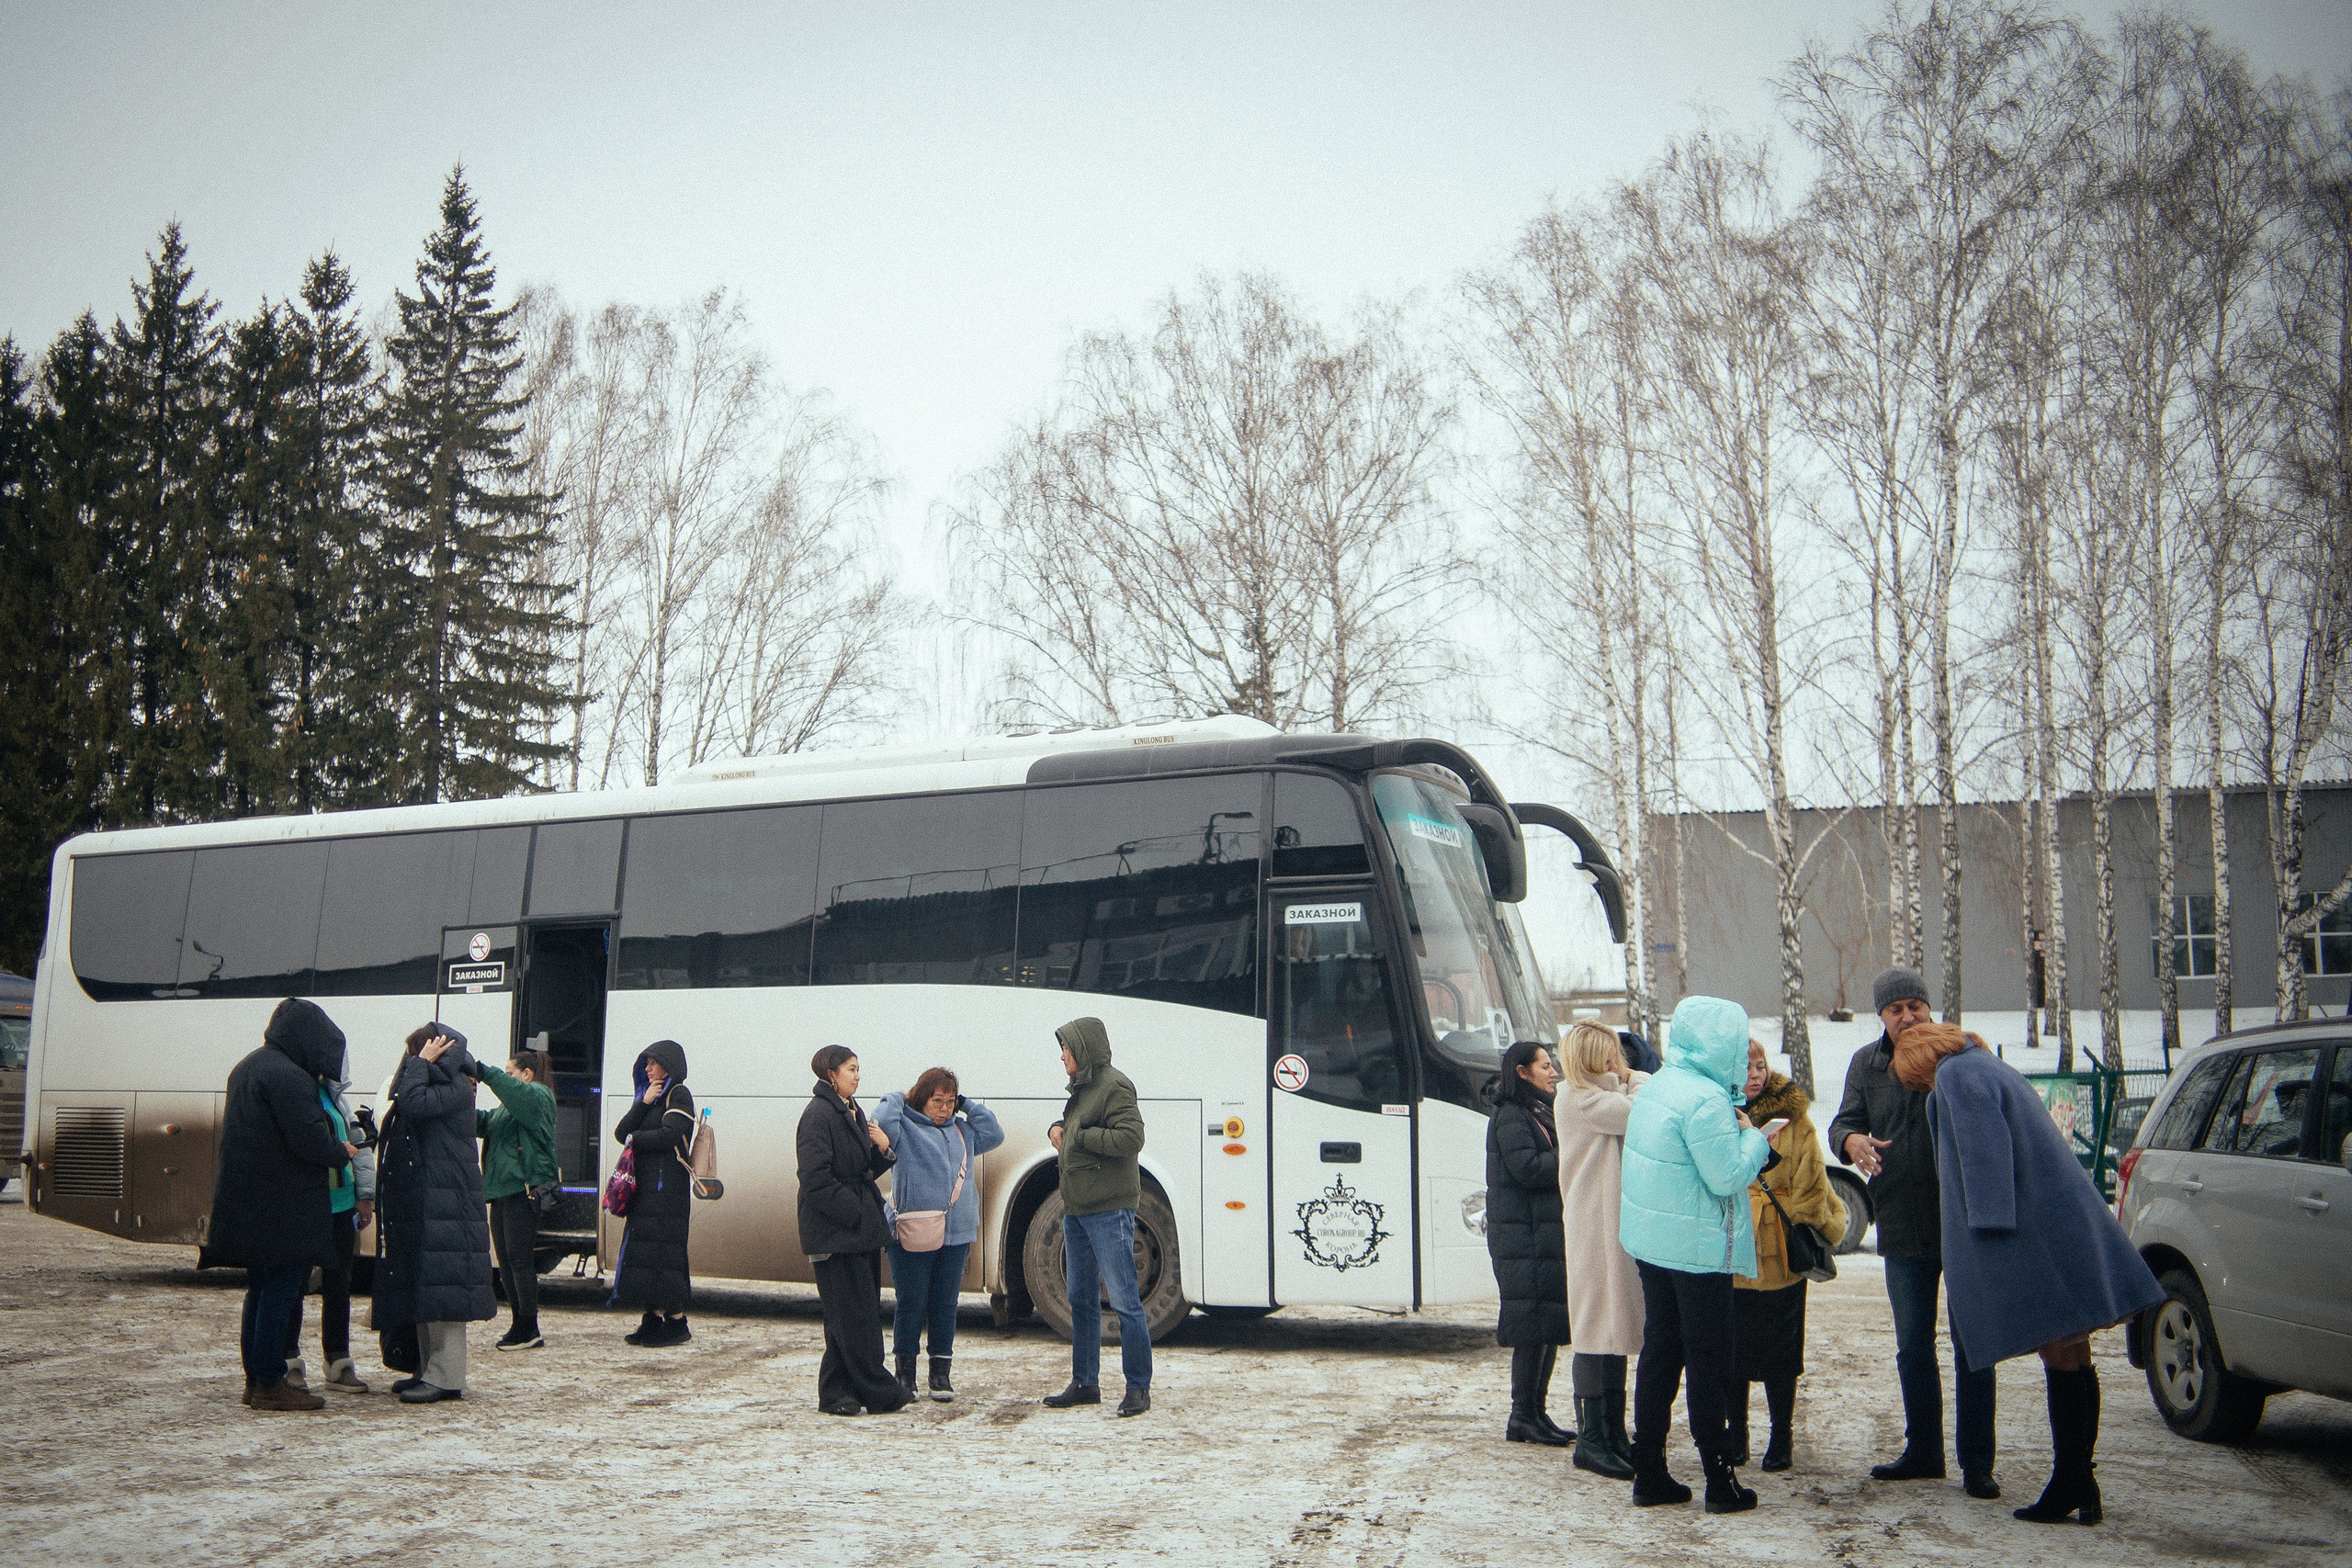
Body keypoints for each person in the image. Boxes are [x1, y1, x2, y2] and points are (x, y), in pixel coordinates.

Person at [1900, 1023, 2166, 1526]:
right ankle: (2080, 1481)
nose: (1919, 1088)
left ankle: (2069, 1483)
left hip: (2028, 1233)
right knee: (2074, 1353)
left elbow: (1985, 1158)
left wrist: (1986, 1235)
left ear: (1919, 1062)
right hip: (2057, 1220)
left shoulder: (1956, 1075)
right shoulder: (1987, 1064)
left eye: (1914, 1080)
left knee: (2061, 1354)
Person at [1826, 965, 1999, 1498]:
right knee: (1912, 1346)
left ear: (1929, 1008)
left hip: (1964, 1220)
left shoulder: (1961, 1054)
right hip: (1902, 1218)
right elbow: (1840, 1124)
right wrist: (1852, 1142)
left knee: (1973, 1344)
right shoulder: (1867, 1063)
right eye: (1895, 1009)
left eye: (1914, 1007)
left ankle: (1977, 1462)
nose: (1907, 1016)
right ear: (1881, 1015)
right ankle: (1924, 1450)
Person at [1619, 993, 1774, 1513]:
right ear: (1725, 1045)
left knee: (1660, 1352)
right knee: (1710, 1360)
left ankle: (1651, 1472)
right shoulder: (1707, 1099)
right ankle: (1719, 1479)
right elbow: (1727, 1175)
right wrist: (1757, 1140)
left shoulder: (1661, 1084)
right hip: (1697, 1251)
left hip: (1653, 1243)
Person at [204, 998, 356, 1412]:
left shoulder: (248, 1066)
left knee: (259, 1288)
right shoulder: (291, 1077)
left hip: (249, 1201)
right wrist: (341, 1150)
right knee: (282, 1290)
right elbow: (308, 1141)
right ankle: (271, 1381)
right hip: (282, 1207)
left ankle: (255, 1379)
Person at [1729, 1039, 1847, 1473]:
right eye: (1744, 1067)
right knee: (1733, 1350)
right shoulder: (1715, 1117)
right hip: (1735, 1248)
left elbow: (1812, 1189)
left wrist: (1777, 1217)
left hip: (1780, 1251)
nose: (1755, 1074)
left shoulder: (1795, 1120)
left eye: (1759, 1065)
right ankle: (1735, 1434)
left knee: (1781, 1352)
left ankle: (1782, 1437)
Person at [373, 1024, 496, 1404]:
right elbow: (400, 1095)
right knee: (428, 1290)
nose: (411, 1058)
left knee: (444, 1294)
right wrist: (417, 1065)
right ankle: (428, 1370)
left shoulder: (457, 1086)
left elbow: (411, 1103)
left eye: (417, 1051)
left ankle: (446, 1377)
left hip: (446, 1203)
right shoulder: (437, 1081)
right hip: (433, 1201)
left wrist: (419, 1065)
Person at [1041, 1017, 1151, 1417]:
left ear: (1084, 1049)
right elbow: (1073, 1124)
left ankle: (1138, 1387)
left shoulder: (1115, 1086)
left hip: (1108, 1209)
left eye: (1067, 1049)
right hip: (1078, 1208)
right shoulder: (1084, 1087)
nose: (1062, 1056)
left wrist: (1080, 1137)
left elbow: (1131, 1138)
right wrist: (1059, 1128)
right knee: (1080, 1298)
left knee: (1124, 1301)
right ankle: (1085, 1382)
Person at [875, 1066, 1005, 1402]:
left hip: (957, 1232)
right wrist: (898, 1097)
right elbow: (882, 1126)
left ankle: (940, 1375)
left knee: (946, 1304)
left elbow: (995, 1134)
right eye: (937, 1100)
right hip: (912, 1229)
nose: (945, 1108)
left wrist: (967, 1104)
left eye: (950, 1101)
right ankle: (905, 1376)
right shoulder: (905, 1127)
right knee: (911, 1303)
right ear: (922, 1099)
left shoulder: (963, 1130)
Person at [797, 1044, 910, 1415]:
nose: (858, 1075)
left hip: (857, 1229)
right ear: (831, 1074)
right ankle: (878, 1391)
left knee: (849, 1316)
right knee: (852, 1317)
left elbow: (861, 1170)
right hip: (836, 1232)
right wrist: (854, 1213)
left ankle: (836, 1393)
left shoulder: (852, 1111)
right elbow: (814, 1179)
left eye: (858, 1068)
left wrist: (883, 1149)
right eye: (850, 1069)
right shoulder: (817, 1115)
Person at [1556, 1020, 1648, 1480]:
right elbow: (1641, 1110)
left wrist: (1629, 1081)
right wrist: (1637, 1080)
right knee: (1596, 1327)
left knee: (1611, 1326)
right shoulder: (1580, 1097)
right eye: (1606, 1057)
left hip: (1606, 1221)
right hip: (1594, 1224)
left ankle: (1612, 1432)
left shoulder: (1596, 1094)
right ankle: (1593, 1438)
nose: (1616, 1063)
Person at [1487, 1039, 1573, 1447]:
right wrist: (1571, 1153)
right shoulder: (1510, 1116)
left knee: (1548, 1324)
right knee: (1529, 1328)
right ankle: (1521, 1416)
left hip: (1541, 1234)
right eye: (1543, 1066)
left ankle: (1537, 1413)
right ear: (1522, 1072)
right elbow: (1528, 1168)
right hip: (1522, 1237)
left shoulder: (1538, 1111)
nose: (1553, 1071)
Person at [280, 1060, 375, 1393]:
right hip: (308, 1204)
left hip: (342, 1204)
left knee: (339, 1285)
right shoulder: (294, 1092)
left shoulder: (335, 1097)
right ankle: (289, 1362)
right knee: (295, 1285)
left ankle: (338, 1361)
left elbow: (357, 1145)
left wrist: (365, 1195)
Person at [613, 1039, 696, 1347]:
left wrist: (636, 1137)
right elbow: (621, 1133)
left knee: (665, 1254)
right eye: (644, 1064)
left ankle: (676, 1323)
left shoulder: (679, 1094)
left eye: (652, 1063)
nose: (647, 1068)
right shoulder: (650, 1096)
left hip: (668, 1191)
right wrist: (644, 1103)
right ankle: (650, 1319)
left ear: (668, 1065)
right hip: (646, 1188)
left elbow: (670, 1134)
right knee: (645, 1254)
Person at [473, 1047, 559, 1350]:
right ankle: (519, 1323)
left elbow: (514, 1093)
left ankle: (529, 1326)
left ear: (527, 1074)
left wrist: (484, 1072)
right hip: (504, 1190)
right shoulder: (508, 1108)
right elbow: (483, 1122)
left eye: (511, 1073)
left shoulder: (538, 1095)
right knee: (507, 1262)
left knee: (519, 1261)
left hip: (524, 1189)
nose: (506, 1079)